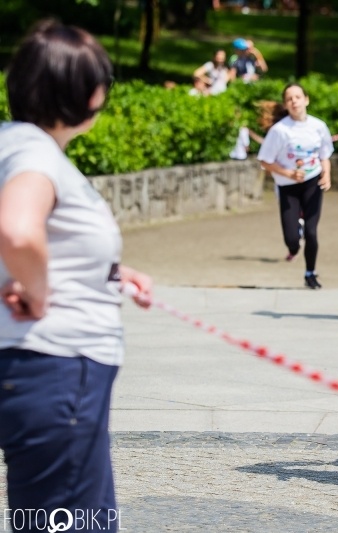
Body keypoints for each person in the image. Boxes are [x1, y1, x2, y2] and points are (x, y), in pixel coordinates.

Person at [0, 20, 153, 531]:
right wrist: (38, 295)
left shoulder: (11, 142)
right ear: (86, 92)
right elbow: (17, 233)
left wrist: (106, 272)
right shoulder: (35, 152)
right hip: (58, 368)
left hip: (40, 371)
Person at [254, 84, 333, 289]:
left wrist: (326, 174)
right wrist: (288, 173)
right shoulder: (279, 131)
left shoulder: (318, 126)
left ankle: (310, 273)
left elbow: (324, 154)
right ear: (286, 104)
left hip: (312, 182)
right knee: (291, 240)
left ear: (306, 99)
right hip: (288, 186)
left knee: (312, 232)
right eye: (289, 99)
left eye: (298, 97)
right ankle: (294, 240)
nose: (294, 101)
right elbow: (265, 161)